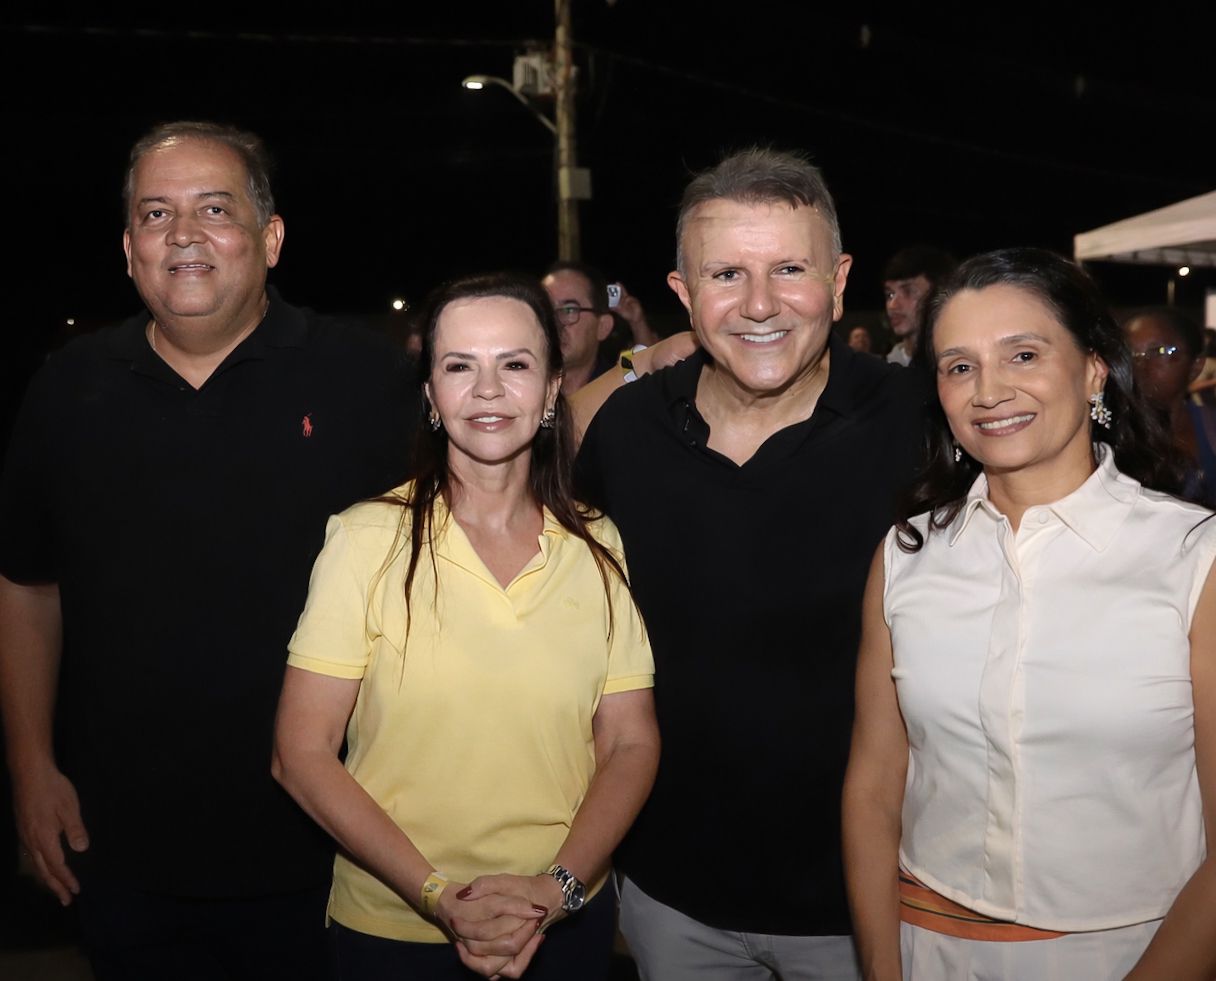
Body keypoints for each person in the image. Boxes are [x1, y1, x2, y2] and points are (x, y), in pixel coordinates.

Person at [0, 121, 417, 979]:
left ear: (271, 239)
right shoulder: (68, 387)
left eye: (215, 209)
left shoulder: (365, 379)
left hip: (333, 844)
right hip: (119, 849)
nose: (183, 233)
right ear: (129, 249)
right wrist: (30, 767)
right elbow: (29, 588)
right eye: (156, 213)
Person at [572, 147, 926, 979]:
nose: (760, 304)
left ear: (839, 279)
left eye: (790, 269)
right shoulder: (627, 431)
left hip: (872, 898)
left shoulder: (921, 425)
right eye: (727, 274)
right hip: (671, 895)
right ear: (683, 292)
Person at [272, 272, 659, 981]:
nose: (487, 390)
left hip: (565, 922)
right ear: (430, 395)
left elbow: (630, 742)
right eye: (459, 366)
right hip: (395, 928)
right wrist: (437, 896)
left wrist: (555, 890)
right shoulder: (365, 539)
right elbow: (300, 752)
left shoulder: (598, 543)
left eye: (514, 364)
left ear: (551, 391)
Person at [843, 248, 1216, 980]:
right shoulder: (907, 555)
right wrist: (884, 968)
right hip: (925, 949)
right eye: (959, 366)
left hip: (1134, 956)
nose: (989, 390)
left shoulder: (1193, 558)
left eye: (1023, 354)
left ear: (1094, 369)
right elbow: (874, 786)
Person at [1124, 306, 1216, 507]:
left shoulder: (1210, 428)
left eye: (1159, 351)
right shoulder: (1104, 433)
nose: (1139, 363)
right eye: (1129, 352)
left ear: (1196, 366)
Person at [541, 261, 619, 394]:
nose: (554, 322)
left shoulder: (625, 394)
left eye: (569, 310)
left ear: (603, 327)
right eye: (546, 309)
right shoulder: (519, 391)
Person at [882, 245, 957, 366]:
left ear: (939, 294)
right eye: (890, 294)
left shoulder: (960, 364)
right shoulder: (883, 369)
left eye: (908, 291)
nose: (892, 305)